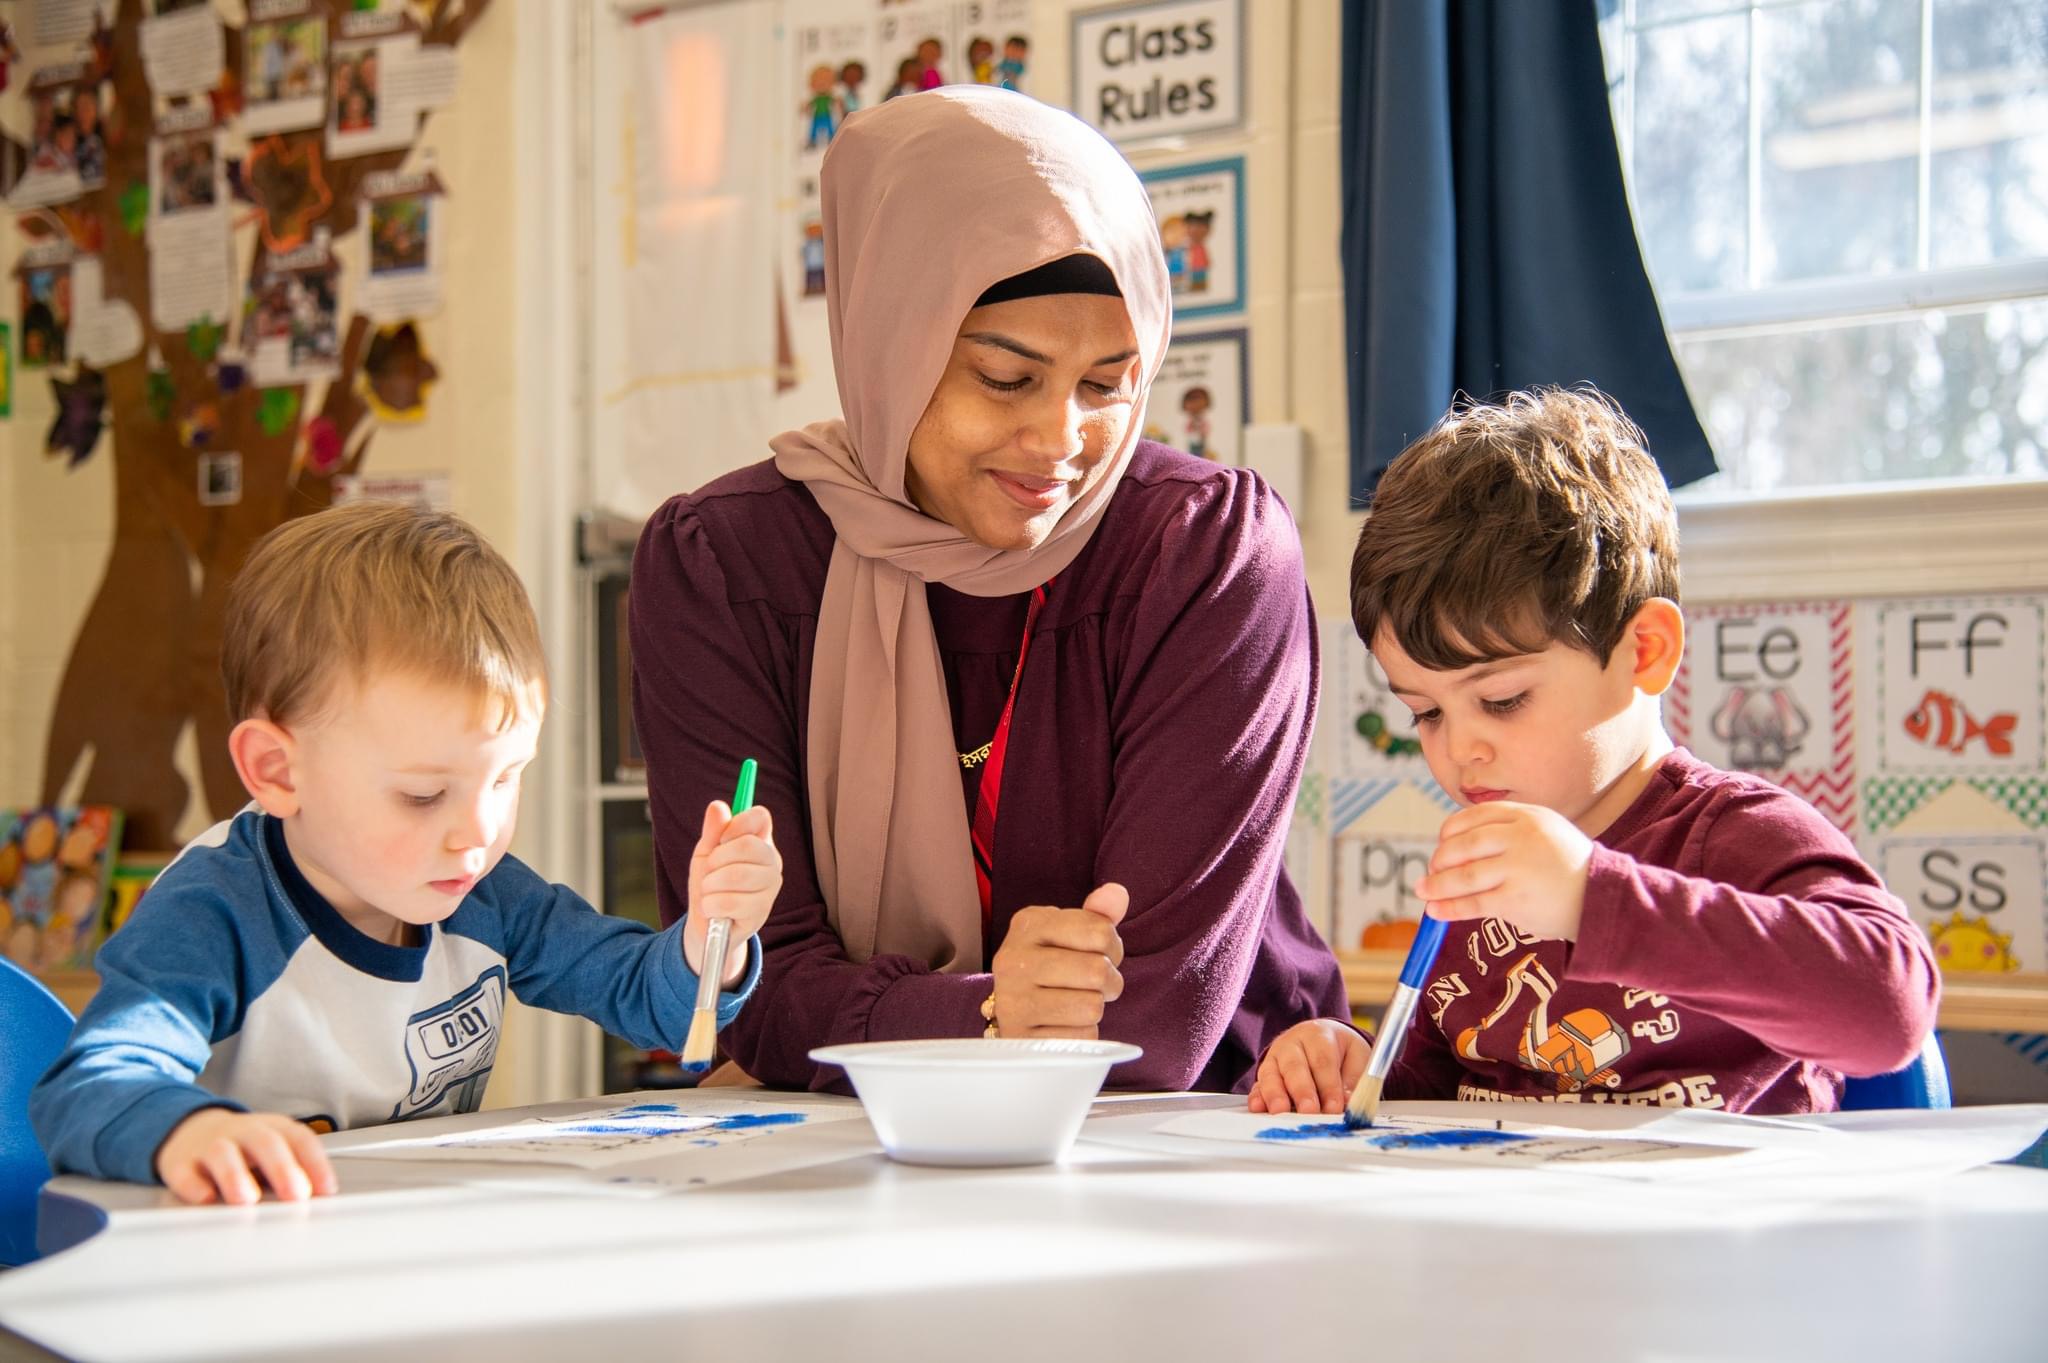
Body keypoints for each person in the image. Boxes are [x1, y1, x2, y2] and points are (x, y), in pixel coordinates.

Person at [631, 87, 1344, 1096]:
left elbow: (1150, 1027)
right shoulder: (723, 567)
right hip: (864, 1141)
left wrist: (882, 1026)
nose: (1060, 440)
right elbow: (747, 986)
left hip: (1199, 1138)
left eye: (1106, 384)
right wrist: (987, 1012)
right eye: (1006, 378)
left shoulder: (1206, 557)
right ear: (890, 342)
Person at [33, 503, 782, 1204]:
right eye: (424, 795)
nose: (476, 832)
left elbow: (648, 1002)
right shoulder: (215, 911)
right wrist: (188, 1129)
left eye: (506, 778)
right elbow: (87, 1085)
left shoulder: (485, 892)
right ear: (277, 771)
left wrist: (713, 937)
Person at [1250, 388, 1939, 1117]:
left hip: (1719, 1223)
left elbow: (1890, 1009)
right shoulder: (1484, 880)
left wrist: (1591, 896)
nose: (1459, 749)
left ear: (1644, 650)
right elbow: (1437, 1088)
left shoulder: (1736, 832)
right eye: (1425, 712)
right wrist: (1348, 1062)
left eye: (1503, 699)